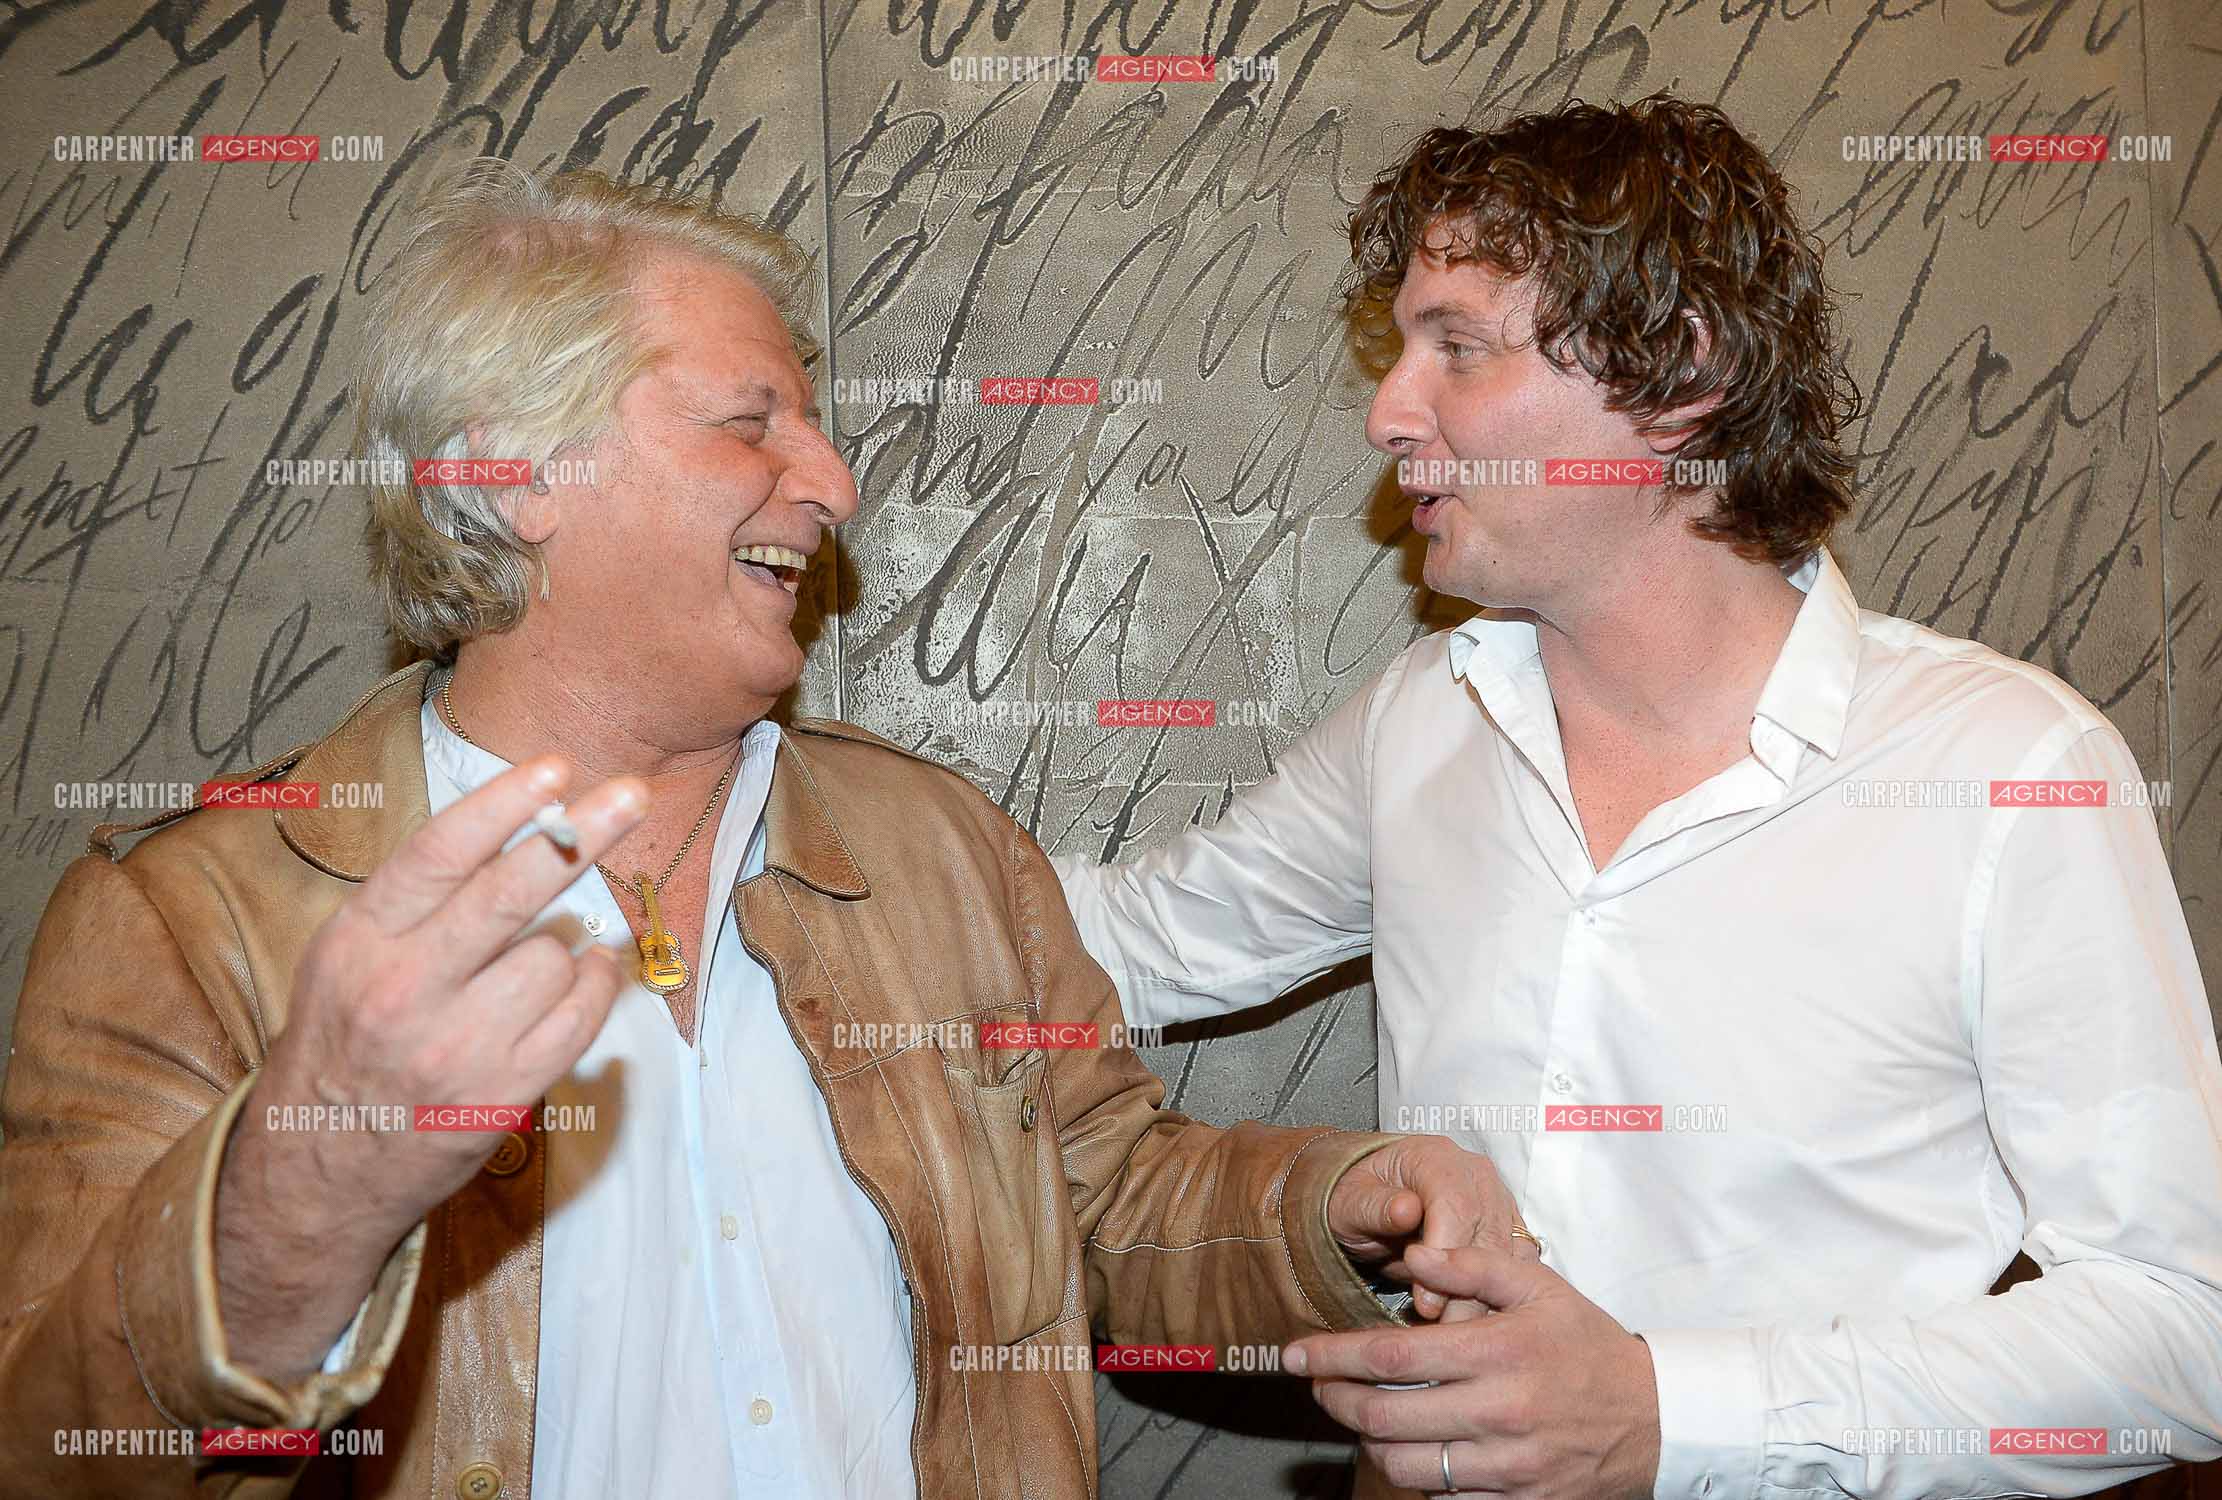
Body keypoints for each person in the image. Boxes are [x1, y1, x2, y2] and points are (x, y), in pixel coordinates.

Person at [0, 158, 1530, 1499]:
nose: (833, 479)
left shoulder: (938, 851)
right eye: (753, 422)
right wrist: (294, 1201)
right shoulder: (189, 922)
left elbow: (1108, 1196)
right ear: (508, 476)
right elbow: (51, 1450)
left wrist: (1339, 1201)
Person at [1051, 95, 2222, 1500]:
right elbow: (1126, 944)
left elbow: (2181, 1329)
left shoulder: (2006, 769)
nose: (1387, 411)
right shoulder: (1423, 721)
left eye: (1459, 348)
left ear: (1677, 377)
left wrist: (1672, 1412)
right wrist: (768, 820)